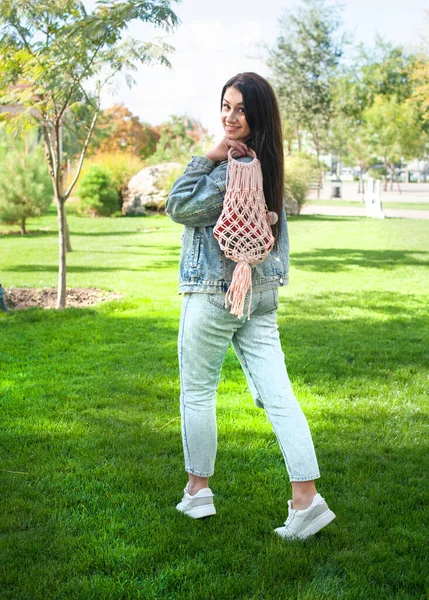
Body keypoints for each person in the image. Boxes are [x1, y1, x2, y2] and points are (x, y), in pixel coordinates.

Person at [166, 72, 335, 540]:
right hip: (261, 296)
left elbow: (177, 205)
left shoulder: (229, 171)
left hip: (216, 293)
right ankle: (307, 499)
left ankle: (197, 492)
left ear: (256, 114)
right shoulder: (272, 165)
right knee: (279, 396)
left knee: (198, 392)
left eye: (240, 109)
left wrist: (208, 157)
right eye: (225, 105)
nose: (230, 116)